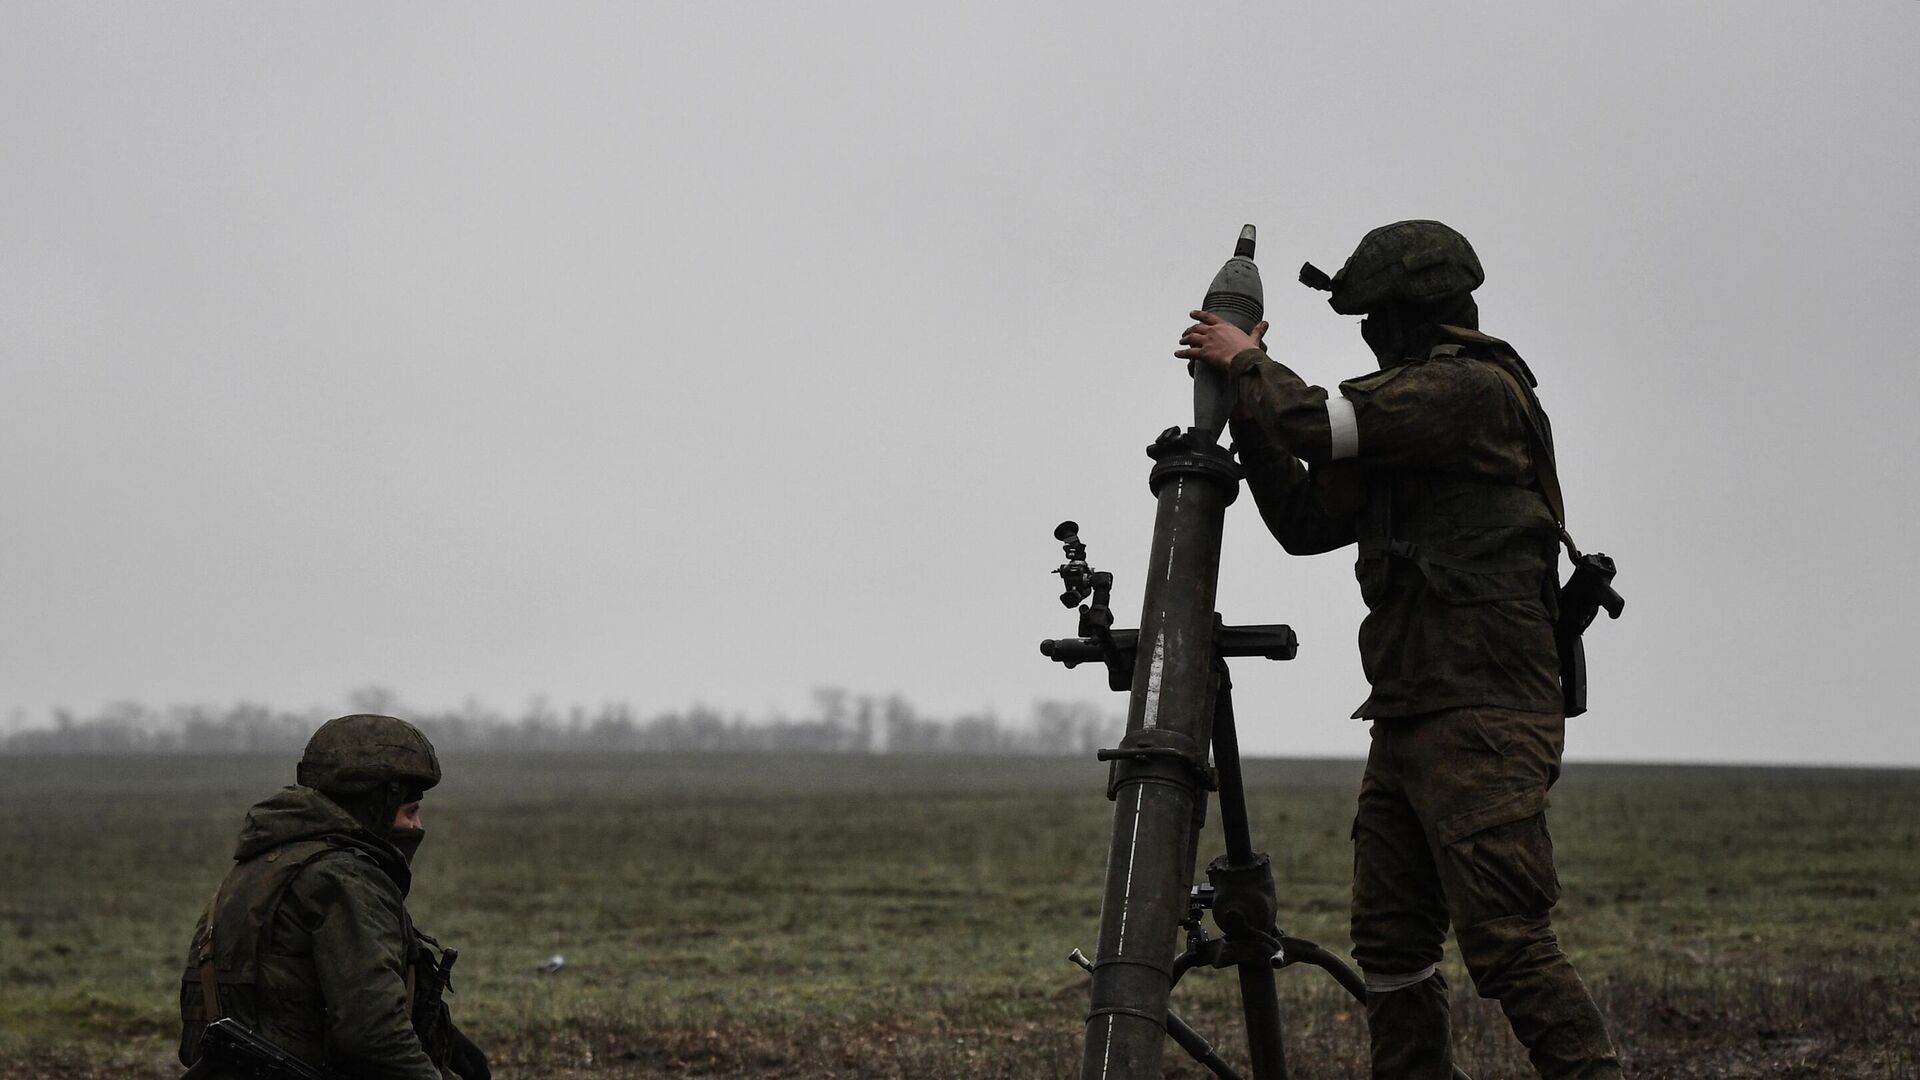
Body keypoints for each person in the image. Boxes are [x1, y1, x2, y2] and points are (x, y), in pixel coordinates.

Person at [1175, 220, 1622, 1079]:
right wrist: (1247, 411)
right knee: (1392, 946)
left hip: (1484, 716)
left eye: (1374, 316)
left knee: (1507, 943)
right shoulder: (1404, 419)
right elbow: (1308, 523)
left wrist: (1249, 365)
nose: (1369, 335)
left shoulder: (1469, 394)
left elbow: (1316, 419)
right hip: (1412, 712)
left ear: (1412, 311)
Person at [177, 714, 491, 1080]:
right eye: (410, 811)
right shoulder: (343, 879)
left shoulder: (257, 868)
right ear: (377, 802)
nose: (416, 827)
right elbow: (374, 1035)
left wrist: (445, 1039)